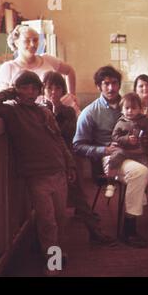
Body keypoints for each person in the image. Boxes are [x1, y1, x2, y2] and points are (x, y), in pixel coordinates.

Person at [73, 66, 148, 248]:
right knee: (139, 172)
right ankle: (129, 229)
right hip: (113, 156)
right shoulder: (89, 112)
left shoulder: (131, 103)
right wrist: (103, 150)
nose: (111, 88)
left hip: (141, 153)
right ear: (98, 86)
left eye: (114, 83)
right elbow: (77, 145)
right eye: (106, 84)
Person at [0, 70, 76, 274]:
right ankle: (53, 262)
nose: (30, 92)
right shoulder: (11, 111)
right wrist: (11, 92)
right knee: (47, 221)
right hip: (36, 175)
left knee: (61, 218)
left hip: (58, 170)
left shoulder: (44, 111)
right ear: (16, 90)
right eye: (25, 87)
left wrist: (69, 164)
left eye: (34, 88)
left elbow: (58, 139)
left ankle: (57, 252)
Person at [42, 71, 116, 246]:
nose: (53, 92)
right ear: (43, 90)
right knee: (47, 209)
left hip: (67, 161)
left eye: (58, 88)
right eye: (49, 88)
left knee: (79, 199)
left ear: (63, 91)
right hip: (46, 165)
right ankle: (47, 246)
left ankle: (95, 233)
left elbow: (64, 133)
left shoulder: (67, 112)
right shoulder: (38, 111)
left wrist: (54, 111)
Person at [0, 24, 79, 114]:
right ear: (17, 43)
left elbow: (69, 71)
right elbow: (5, 101)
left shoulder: (47, 59)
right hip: (31, 117)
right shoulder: (8, 68)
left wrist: (72, 94)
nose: (32, 44)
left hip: (61, 113)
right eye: (27, 41)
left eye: (35, 40)